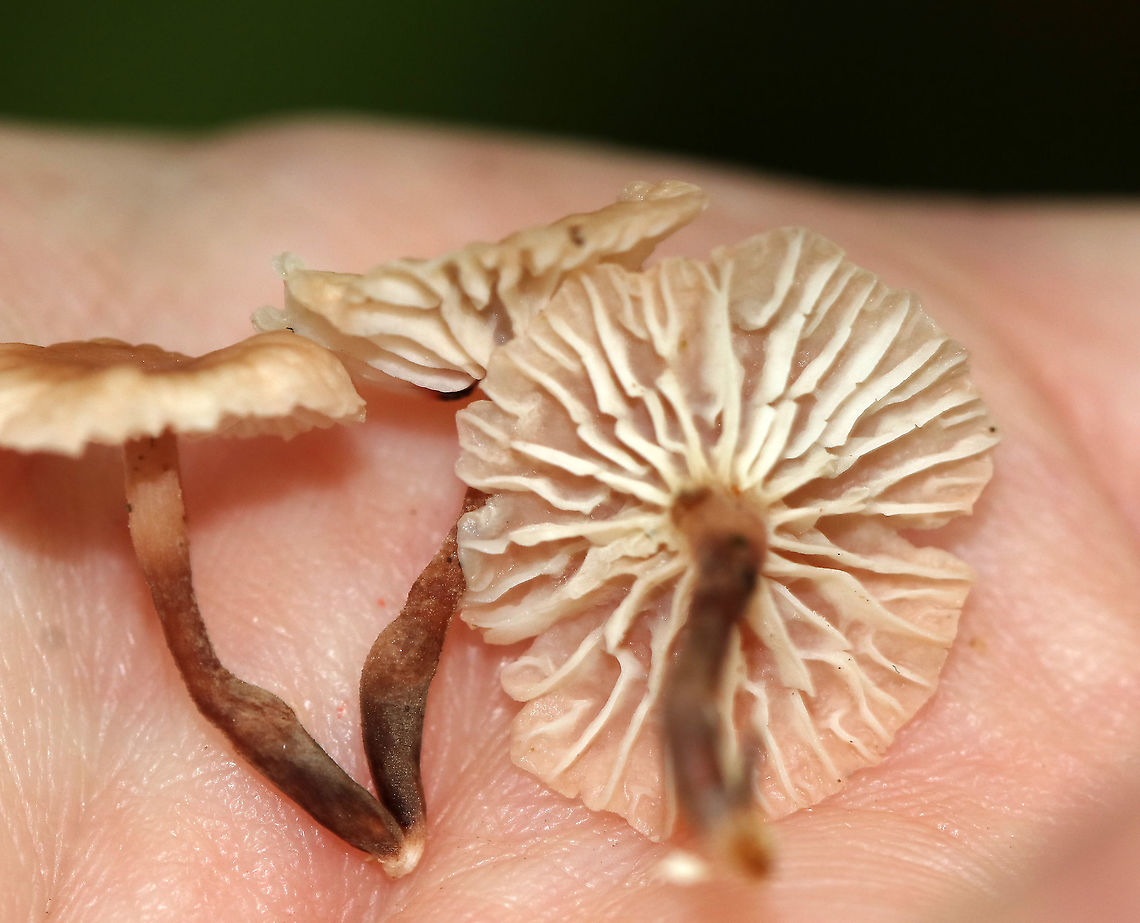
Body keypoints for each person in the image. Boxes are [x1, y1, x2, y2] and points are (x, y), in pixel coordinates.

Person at [1, 119, 1138, 921]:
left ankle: (672, 790)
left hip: (696, 485)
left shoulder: (630, 456)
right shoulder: (562, 456)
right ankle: (388, 815)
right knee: (287, 666)